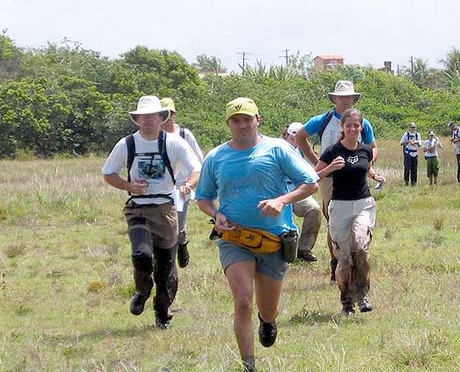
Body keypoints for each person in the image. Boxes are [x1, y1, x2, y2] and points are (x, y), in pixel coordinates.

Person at [196, 97, 319, 372]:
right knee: (242, 299)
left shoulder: (277, 149)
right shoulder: (216, 157)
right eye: (235, 120)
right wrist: (216, 215)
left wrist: (282, 201)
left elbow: (311, 182)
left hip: (274, 239)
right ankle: (248, 364)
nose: (242, 125)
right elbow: (203, 197)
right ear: (228, 124)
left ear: (258, 120)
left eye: (247, 119)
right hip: (234, 239)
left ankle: (268, 321)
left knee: (267, 307)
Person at [102, 95, 201, 328]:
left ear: (160, 118)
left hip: (166, 209)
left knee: (166, 269)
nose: (147, 120)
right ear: (137, 119)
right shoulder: (127, 144)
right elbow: (108, 173)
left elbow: (197, 168)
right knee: (141, 254)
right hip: (137, 207)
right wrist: (129, 186)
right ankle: (141, 290)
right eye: (143, 116)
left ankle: (162, 312)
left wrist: (189, 184)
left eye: (152, 116)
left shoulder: (174, 142)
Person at [295, 80, 378, 284]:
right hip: (330, 177)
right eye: (341, 97)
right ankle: (336, 264)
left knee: (358, 219)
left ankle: (355, 262)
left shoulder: (361, 122)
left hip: (354, 177)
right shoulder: (322, 120)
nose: (344, 100)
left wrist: (366, 163)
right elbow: (300, 136)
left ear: (353, 99)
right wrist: (317, 162)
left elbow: (373, 147)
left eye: (348, 96)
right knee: (334, 220)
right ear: (334, 99)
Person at [315, 109, 385, 316]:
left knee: (361, 247)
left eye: (356, 125)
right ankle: (347, 302)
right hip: (340, 206)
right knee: (344, 256)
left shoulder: (365, 150)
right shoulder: (332, 152)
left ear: (361, 127)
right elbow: (312, 176)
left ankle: (363, 294)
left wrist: (375, 176)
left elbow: (367, 168)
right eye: (349, 125)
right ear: (342, 128)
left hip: (363, 203)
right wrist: (329, 169)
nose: (353, 128)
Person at [160, 97, 204, 269]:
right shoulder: (154, 137)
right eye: (161, 114)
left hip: (183, 188)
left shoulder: (185, 135)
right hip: (162, 188)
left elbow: (200, 162)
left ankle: (182, 242)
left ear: (174, 115)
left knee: (178, 224)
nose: (165, 118)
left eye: (168, 114)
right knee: (163, 226)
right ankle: (166, 261)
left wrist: (192, 183)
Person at [282, 122, 322, 262]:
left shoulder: (302, 151)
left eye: (298, 138)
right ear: (286, 135)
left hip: (297, 190)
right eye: (292, 138)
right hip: (278, 191)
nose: (295, 141)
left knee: (314, 209)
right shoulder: (277, 149)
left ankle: (304, 249)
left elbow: (311, 174)